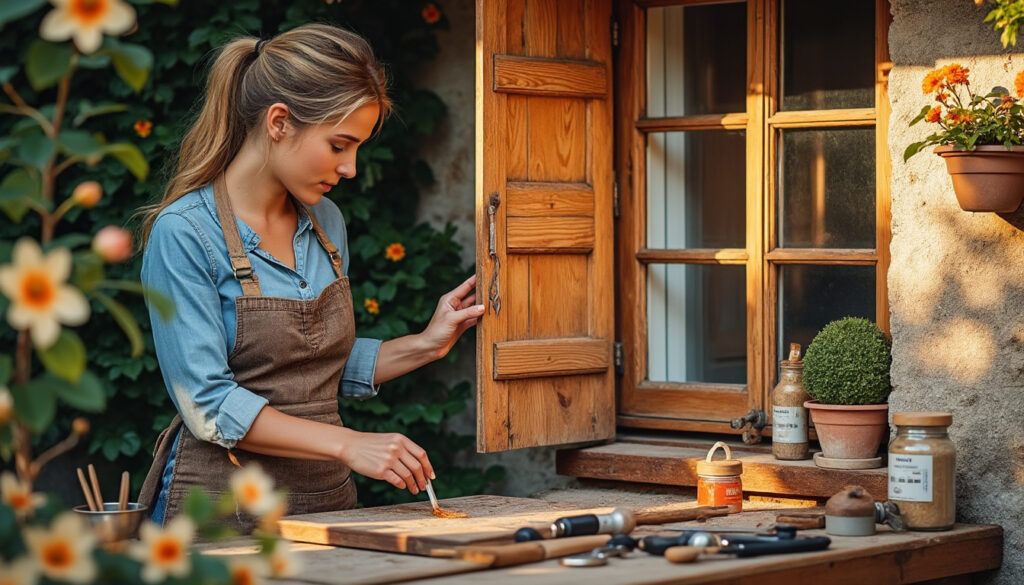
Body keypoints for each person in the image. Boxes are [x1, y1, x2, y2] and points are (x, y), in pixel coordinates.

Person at [136, 23, 483, 531]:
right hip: (219, 512)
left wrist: (427, 344)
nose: (351, 169)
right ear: (279, 122)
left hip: (325, 502)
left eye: (358, 148)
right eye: (340, 145)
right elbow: (208, 403)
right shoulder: (185, 233)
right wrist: (350, 444)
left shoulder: (327, 224)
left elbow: (316, 368)